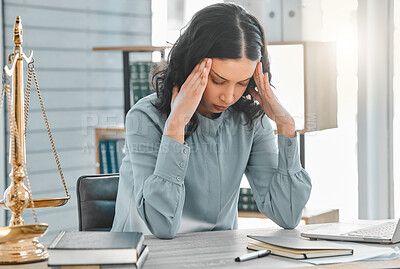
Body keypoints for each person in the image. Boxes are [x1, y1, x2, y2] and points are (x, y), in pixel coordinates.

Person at [112, 2, 311, 239]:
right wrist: (175, 126)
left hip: (218, 256)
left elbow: (287, 215)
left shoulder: (249, 121)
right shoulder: (145, 117)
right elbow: (161, 226)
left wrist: (286, 127)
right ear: (192, 66)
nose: (229, 96)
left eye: (241, 83)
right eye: (218, 80)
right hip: (145, 253)